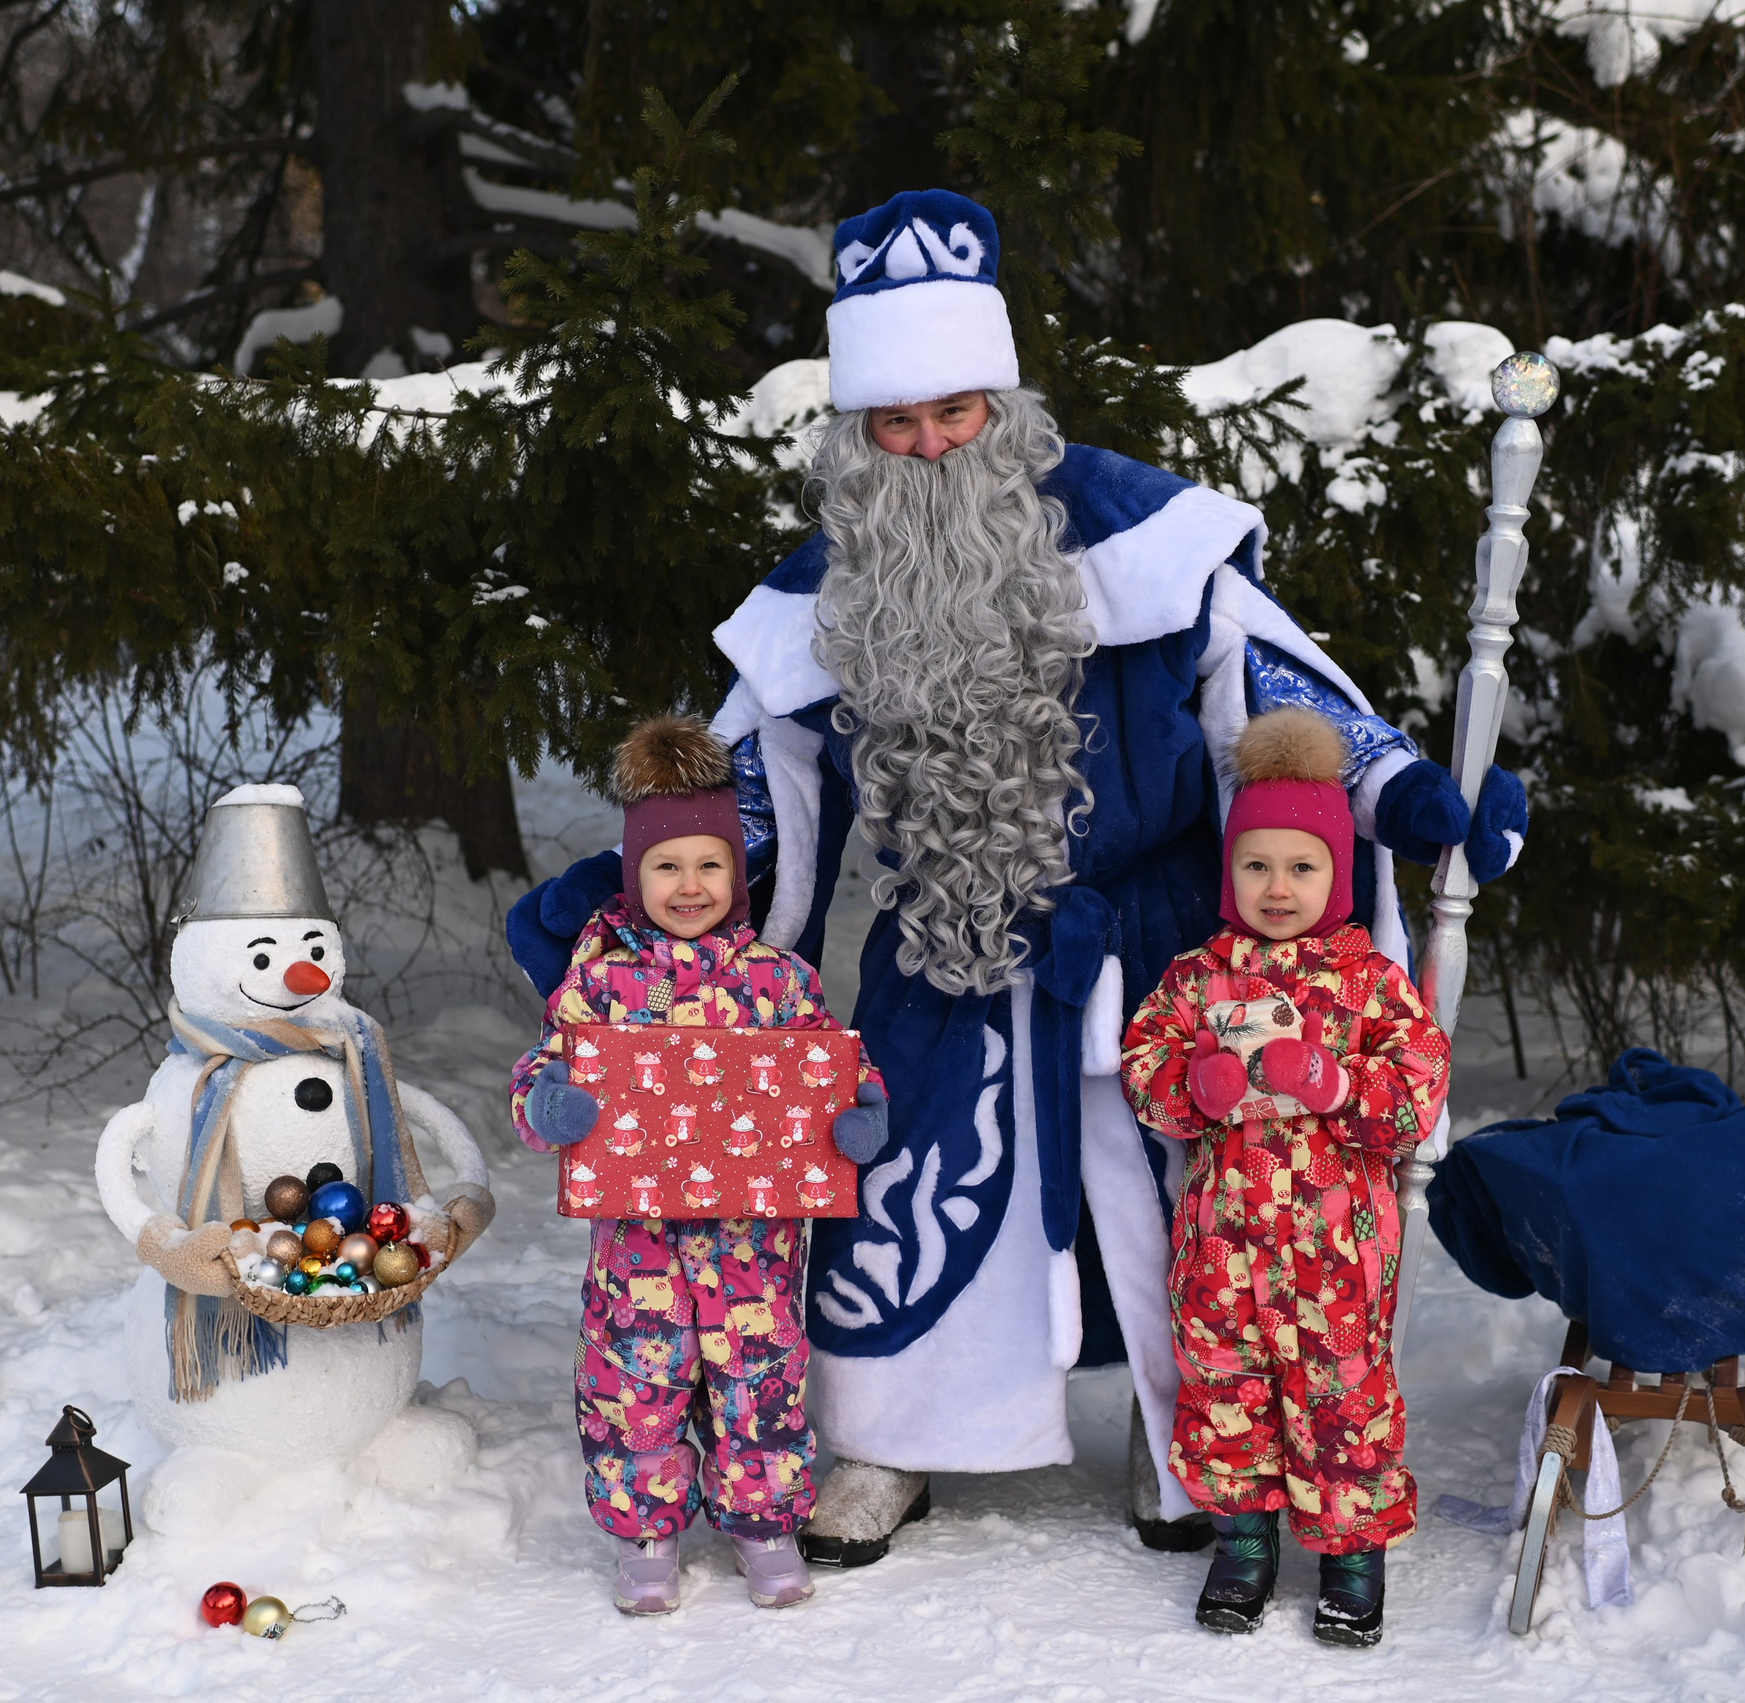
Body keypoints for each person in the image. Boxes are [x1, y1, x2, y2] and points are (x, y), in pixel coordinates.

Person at [510, 188, 1525, 1566]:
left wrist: (1405, 793)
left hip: (1153, 945)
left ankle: (1193, 1450)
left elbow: (1276, 698)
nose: (929, 446)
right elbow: (754, 784)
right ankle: (891, 1440)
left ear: (1003, 400)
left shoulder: (1141, 535)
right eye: (897, 422)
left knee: (1192, 1194)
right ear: (859, 435)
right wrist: (625, 888)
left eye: (956, 413)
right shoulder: (834, 584)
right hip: (947, 935)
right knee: (904, 1178)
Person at [509, 715, 889, 1615]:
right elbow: (546, 1066)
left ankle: (764, 1525)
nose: (690, 884)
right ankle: (647, 1535)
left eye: (710, 864)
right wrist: (548, 1103)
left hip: (752, 1244)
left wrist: (857, 1109)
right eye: (667, 865)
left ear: (738, 874)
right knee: (636, 1379)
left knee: (759, 1379)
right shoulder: (599, 979)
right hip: (638, 1242)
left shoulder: (778, 980)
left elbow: (830, 1062)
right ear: (637, 875)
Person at [1120, 708, 1451, 1645]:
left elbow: (1418, 1088)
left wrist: (1340, 1082)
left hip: (1337, 1247)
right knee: (1226, 1385)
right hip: (1222, 1244)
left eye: (1301, 865)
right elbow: (1144, 1067)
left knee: (1341, 1391)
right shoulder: (1198, 979)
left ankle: (1351, 1551)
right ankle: (1243, 1543)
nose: (1277, 886)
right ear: (1231, 872)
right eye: (1256, 864)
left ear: (1336, 873)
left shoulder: (1370, 983)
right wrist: (1198, 1085)